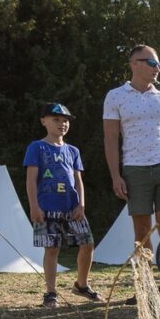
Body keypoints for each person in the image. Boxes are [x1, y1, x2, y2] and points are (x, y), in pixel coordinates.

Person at [103, 44, 160, 303]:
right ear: (135, 64)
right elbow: (110, 139)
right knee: (141, 232)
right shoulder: (116, 96)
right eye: (152, 63)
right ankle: (145, 288)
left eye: (159, 64)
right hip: (134, 168)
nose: (158, 69)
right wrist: (115, 176)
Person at [24, 103, 100, 308]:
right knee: (52, 249)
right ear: (44, 121)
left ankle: (82, 285)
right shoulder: (36, 147)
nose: (62, 124)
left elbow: (78, 179)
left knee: (88, 243)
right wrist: (34, 206)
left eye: (65, 120)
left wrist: (81, 204)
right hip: (46, 207)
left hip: (72, 208)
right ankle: (50, 292)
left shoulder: (73, 150)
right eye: (56, 120)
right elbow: (31, 179)